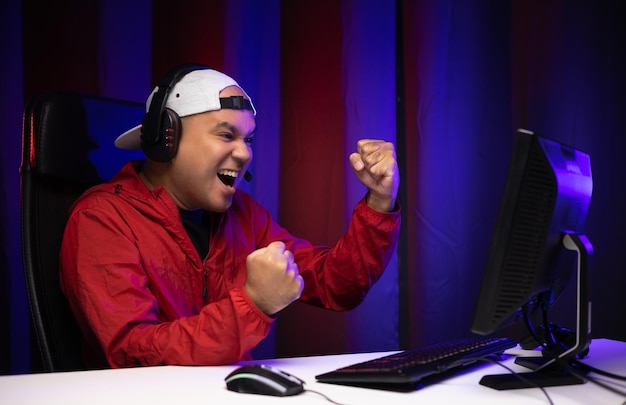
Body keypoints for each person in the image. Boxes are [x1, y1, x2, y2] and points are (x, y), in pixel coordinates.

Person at [60, 64, 401, 368]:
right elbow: (132, 352)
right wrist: (253, 304)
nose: (244, 153)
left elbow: (337, 284)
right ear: (166, 138)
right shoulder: (101, 219)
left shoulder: (243, 215)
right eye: (226, 135)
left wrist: (379, 200)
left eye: (248, 139)